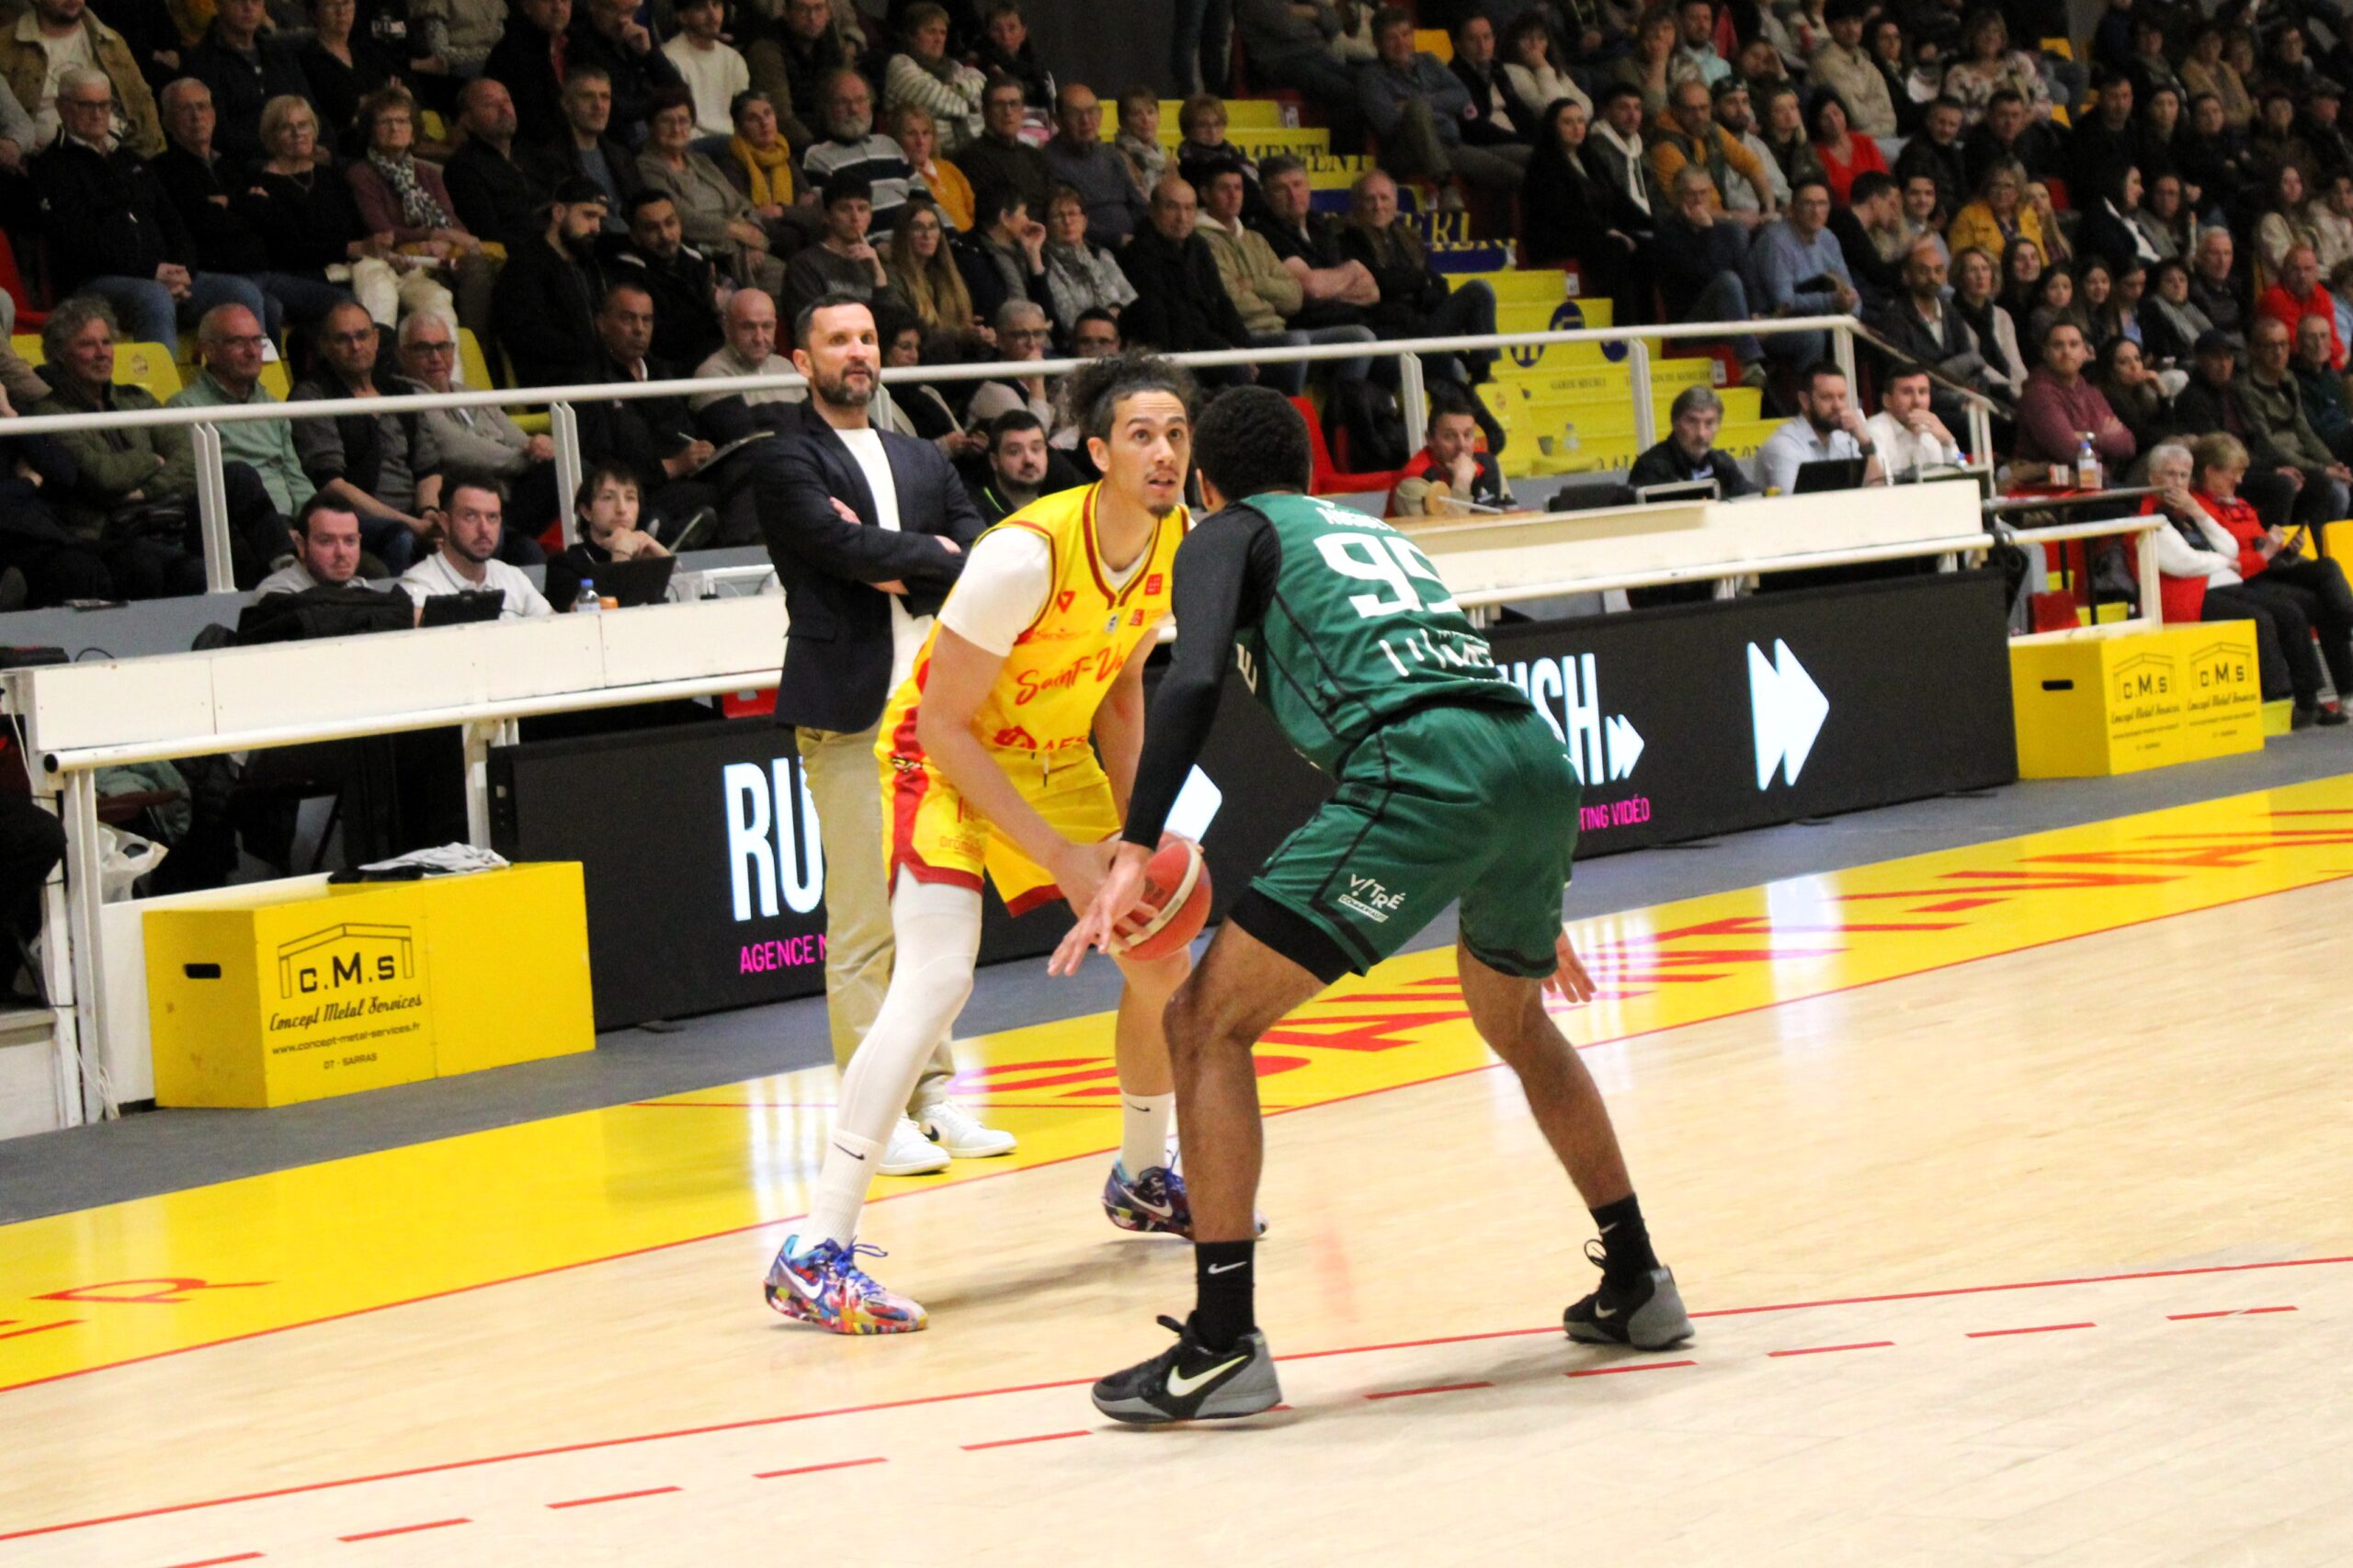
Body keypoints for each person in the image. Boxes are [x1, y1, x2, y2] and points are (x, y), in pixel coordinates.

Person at [1058, 385, 1684, 1422]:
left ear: (1207, 481)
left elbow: (1194, 677)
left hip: (1418, 767)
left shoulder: (1225, 534)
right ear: (1306, 468)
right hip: (1527, 758)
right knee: (1514, 1019)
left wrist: (1135, 840)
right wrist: (1515, 860)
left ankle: (1220, 1344)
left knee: (1202, 1022)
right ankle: (1638, 1280)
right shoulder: (1367, 531)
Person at [758, 295, 1111, 1332]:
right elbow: (845, 554)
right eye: (838, 341)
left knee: (934, 926)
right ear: (803, 358)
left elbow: (978, 540)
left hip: (945, 714)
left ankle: (933, 1093)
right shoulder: (784, 457)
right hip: (849, 709)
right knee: (868, 916)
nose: (858, 354)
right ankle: (880, 1111)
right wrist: (915, 554)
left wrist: (902, 548)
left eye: (867, 340)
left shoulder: (920, 455)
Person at [30, 68, 274, 348]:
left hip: (158, 277)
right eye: (85, 105)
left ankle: (257, 386)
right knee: (153, 297)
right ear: (62, 108)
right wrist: (152, 272)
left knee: (242, 291)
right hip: (95, 284)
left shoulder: (130, 159)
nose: (97, 114)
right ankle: (159, 391)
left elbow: (173, 222)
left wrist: (183, 269)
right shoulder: (51, 166)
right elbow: (80, 241)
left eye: (104, 104)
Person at [151, 79, 350, 330]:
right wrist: (248, 205)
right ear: (167, 120)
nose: (197, 116)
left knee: (344, 304)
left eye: (203, 107)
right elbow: (202, 224)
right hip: (218, 277)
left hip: (265, 273)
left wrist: (231, 205)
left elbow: (275, 219)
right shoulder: (162, 171)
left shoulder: (233, 166)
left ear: (213, 114)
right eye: (185, 109)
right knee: (267, 306)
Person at [2188, 429, 2353, 724]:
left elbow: (2259, 541)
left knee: (2327, 569)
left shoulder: (2236, 502)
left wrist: (2286, 550)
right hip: (2244, 579)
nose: (2239, 481)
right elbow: (2224, 560)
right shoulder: (2199, 509)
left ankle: (2346, 690)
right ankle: (2318, 697)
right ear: (2210, 471)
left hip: (2269, 568)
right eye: (2233, 473)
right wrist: (2266, 554)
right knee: (2316, 603)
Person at [291, 301, 447, 574]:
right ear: (325, 347)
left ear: (376, 338)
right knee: (401, 538)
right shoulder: (312, 396)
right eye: (343, 339)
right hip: (350, 519)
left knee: (482, 529)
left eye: (362, 336)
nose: (356, 346)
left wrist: (429, 512)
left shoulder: (400, 390)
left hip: (415, 514)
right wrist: (411, 524)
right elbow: (331, 485)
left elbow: (428, 467)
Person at [1194, 165, 1374, 395]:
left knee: (1360, 338)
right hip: (1245, 337)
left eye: (1238, 188)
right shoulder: (1200, 240)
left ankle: (1340, 415)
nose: (1233, 195)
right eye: (1224, 189)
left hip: (1280, 330)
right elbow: (1232, 301)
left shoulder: (1255, 239)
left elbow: (1294, 297)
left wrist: (1254, 285)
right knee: (1296, 342)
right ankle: (1288, 415)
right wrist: (1272, 300)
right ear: (1205, 194)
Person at [346, 86, 498, 335]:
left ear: (413, 129)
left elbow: (452, 222)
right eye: (386, 122)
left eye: (402, 121)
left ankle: (477, 348)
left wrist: (449, 241)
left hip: (440, 257)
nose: (395, 128)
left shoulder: (427, 172)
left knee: (477, 267)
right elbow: (382, 229)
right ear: (371, 131)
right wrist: (432, 236)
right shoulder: (361, 174)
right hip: (397, 263)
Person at [398, 312, 560, 545]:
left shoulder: (469, 393)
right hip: (472, 503)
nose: (435, 357)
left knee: (570, 468)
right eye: (424, 349)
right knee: (560, 469)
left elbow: (519, 438)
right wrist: (534, 457)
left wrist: (538, 447)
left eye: (443, 346)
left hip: (508, 493)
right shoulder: (409, 398)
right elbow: (460, 451)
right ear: (402, 355)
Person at [1339, 168, 1500, 390]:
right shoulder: (1347, 238)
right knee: (1451, 365)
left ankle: (1482, 373)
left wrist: (1417, 286)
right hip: (1392, 332)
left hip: (1425, 323)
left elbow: (1439, 286)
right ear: (1357, 204)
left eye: (1384, 198)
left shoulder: (1408, 237)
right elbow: (1381, 282)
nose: (1378, 206)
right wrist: (1420, 283)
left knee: (1479, 290)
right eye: (1370, 199)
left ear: (1395, 202)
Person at [1357, 6, 1529, 199]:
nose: (1401, 43)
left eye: (1405, 35)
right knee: (1516, 174)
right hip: (1410, 151)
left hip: (1452, 141)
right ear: (1377, 43)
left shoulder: (1427, 60)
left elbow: (1462, 94)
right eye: (1391, 38)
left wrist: (1418, 104)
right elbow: (1389, 125)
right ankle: (1445, 186)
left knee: (1533, 155)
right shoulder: (1370, 78)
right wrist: (1433, 111)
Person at [636, 87, 786, 298]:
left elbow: (741, 202)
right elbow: (681, 217)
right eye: (666, 121)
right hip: (712, 254)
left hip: (744, 248)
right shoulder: (647, 167)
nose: (676, 128)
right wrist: (737, 232)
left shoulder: (700, 160)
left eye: (683, 120)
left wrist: (754, 233)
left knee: (791, 279)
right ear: (651, 126)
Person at [169, 304, 315, 519]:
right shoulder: (185, 409)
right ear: (209, 350)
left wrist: (315, 523)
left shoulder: (273, 407)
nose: (252, 352)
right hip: (234, 529)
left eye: (257, 341)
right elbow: (193, 489)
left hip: (291, 524)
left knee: (376, 533)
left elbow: (296, 479)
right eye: (238, 342)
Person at [1521, 97, 1648, 330]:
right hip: (1558, 238)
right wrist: (1607, 232)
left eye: (1580, 121)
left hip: (1594, 232)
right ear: (1553, 127)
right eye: (1568, 122)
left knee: (1649, 244)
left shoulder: (1591, 159)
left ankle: (1651, 328)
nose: (1577, 127)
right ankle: (1623, 328)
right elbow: (1564, 214)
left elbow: (1620, 201)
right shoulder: (1543, 165)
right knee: (1614, 249)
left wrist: (1652, 225)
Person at [1119, 176, 1254, 375]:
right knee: (1238, 371)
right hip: (1179, 351)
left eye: (1189, 208)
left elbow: (1222, 301)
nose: (1182, 217)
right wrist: (1228, 351)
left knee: (1281, 354)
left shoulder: (1198, 246)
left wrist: (1249, 350)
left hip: (1214, 342)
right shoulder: (1138, 254)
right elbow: (1176, 317)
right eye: (1172, 208)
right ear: (1153, 210)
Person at [0, 0, 165, 159]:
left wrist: (152, 157)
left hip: (116, 156)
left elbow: (141, 103)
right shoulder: (6, 46)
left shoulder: (110, 40)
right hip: (43, 163)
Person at [492, 177, 612, 388]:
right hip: (556, 385)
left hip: (597, 377)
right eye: (589, 215)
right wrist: (587, 348)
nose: (596, 228)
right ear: (558, 213)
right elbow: (525, 335)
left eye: (600, 219)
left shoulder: (590, 266)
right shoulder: (525, 266)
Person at [2238, 315, 2353, 530]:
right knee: (2331, 487)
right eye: (2270, 346)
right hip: (2274, 462)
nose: (2278, 352)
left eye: (2283, 345)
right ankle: (2313, 549)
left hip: (2303, 456)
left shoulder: (2288, 380)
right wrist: (2323, 469)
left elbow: (2304, 430)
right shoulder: (2246, 389)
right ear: (2255, 350)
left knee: (2339, 479)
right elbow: (2267, 444)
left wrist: (2332, 464)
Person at [399, 476, 552, 617]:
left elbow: (557, 629)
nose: (484, 528)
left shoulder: (513, 577)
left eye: (492, 517)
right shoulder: (418, 585)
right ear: (445, 522)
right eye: (470, 516)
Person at [181, 0, 310, 166]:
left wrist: (324, 146)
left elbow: (311, 106)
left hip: (302, 154)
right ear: (219, 4)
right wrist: (282, 147)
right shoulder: (202, 64)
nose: (249, 7)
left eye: (255, 0)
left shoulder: (278, 52)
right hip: (249, 169)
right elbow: (219, 133)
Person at [1746, 176, 1859, 367]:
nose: (1816, 211)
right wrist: (1832, 300)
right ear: (1793, 208)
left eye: (1822, 204)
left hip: (1819, 317)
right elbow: (1784, 301)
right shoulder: (1775, 241)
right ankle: (1810, 393)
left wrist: (1850, 306)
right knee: (1813, 335)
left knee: (1862, 330)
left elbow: (1848, 288)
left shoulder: (1828, 238)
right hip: (1772, 323)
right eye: (1808, 204)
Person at [522, 66, 643, 236]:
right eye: (587, 96)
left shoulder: (621, 156)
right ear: (566, 104)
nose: (599, 105)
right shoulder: (546, 159)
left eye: (605, 97)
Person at [798, 67, 916, 232]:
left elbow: (922, 198)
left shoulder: (888, 144)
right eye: (842, 102)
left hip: (912, 243)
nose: (853, 109)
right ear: (826, 108)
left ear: (871, 104)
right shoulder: (817, 156)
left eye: (860, 100)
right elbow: (831, 222)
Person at [2014, 318, 2133, 475]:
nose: (2067, 352)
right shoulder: (2038, 394)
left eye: (2074, 344)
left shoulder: (2092, 393)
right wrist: (2104, 439)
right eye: (2058, 345)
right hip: (2053, 489)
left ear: (2085, 352)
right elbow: (2069, 452)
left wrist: (2089, 437)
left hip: (2096, 482)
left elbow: (2128, 445)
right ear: (2045, 352)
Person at [1650, 76, 1776, 225]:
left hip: (1714, 216)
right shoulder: (1665, 147)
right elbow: (1688, 206)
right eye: (1691, 109)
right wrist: (1735, 217)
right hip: (1681, 224)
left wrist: (1768, 208)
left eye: (1703, 108)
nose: (1699, 116)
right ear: (1676, 111)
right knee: (1737, 231)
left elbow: (1751, 165)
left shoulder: (1709, 129)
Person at [443, 77, 546, 250]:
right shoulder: (464, 168)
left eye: (506, 100)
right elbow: (488, 236)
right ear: (467, 120)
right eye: (489, 103)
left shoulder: (533, 158)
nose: (504, 109)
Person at [691, 288, 803, 441]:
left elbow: (814, 427)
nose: (759, 338)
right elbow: (748, 442)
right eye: (748, 327)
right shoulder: (710, 373)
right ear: (727, 328)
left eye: (767, 326)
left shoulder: (785, 367)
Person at [781, 173, 894, 325]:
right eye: (844, 209)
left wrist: (880, 278)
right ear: (827, 216)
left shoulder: (874, 263)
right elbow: (810, 326)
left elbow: (890, 327)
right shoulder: (805, 265)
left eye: (862, 209)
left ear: (870, 216)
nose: (855, 218)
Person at [566, 0, 685, 145]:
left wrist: (649, 54)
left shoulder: (637, 34)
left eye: (630, 11)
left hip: (652, 134)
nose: (623, 20)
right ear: (593, 6)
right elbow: (614, 109)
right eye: (613, 10)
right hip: (613, 142)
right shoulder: (580, 41)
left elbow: (680, 92)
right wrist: (657, 99)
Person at [1384, 381, 1512, 515]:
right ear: (1430, 439)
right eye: (1450, 436)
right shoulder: (1413, 481)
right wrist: (1462, 483)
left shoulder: (1488, 464)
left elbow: (1512, 520)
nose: (1462, 445)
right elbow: (1443, 533)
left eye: (1468, 435)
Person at [1040, 84, 1143, 247]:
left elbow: (1138, 204)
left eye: (1092, 111)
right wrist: (1118, 239)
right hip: (1092, 247)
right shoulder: (1048, 161)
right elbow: (1067, 222)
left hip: (1133, 244)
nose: (1086, 120)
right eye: (1075, 114)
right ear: (1058, 120)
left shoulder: (1110, 154)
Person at [1756, 359, 1881, 492]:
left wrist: (1865, 444)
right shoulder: (1783, 446)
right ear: (1804, 401)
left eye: (1842, 397)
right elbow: (1794, 505)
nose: (1837, 405)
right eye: (1827, 397)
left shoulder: (1845, 437)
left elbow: (1879, 491)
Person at [881, 2, 983, 153]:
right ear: (912, 36)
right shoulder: (900, 65)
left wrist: (957, 90)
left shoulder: (953, 67)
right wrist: (972, 106)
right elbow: (940, 100)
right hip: (923, 154)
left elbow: (983, 85)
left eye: (943, 32)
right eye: (931, 32)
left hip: (968, 150)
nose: (938, 39)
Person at [1039, 184, 1138, 336]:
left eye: (1073, 214)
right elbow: (1068, 319)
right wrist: (1106, 320)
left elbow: (1130, 298)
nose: (1067, 221)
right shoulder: (1045, 262)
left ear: (1084, 221)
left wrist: (1116, 308)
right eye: (1058, 216)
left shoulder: (1101, 255)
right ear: (1047, 225)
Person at [1628, 382, 1758, 494]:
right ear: (1674, 423)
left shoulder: (1721, 463)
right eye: (1692, 421)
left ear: (1719, 425)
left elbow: (1750, 498)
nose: (1701, 433)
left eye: (1709, 423)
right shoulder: (1651, 467)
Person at [890, 199, 984, 347]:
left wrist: (981, 336)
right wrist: (959, 335)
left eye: (933, 227)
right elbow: (908, 334)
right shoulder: (894, 277)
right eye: (918, 227)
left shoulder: (950, 277)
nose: (927, 235)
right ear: (904, 234)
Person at [1447, 13, 1537, 155]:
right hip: (1487, 147)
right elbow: (1475, 129)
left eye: (1487, 37)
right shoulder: (1453, 77)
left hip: (1515, 139)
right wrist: (1522, 140)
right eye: (1472, 39)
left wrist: (1544, 134)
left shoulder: (1495, 67)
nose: (1482, 45)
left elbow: (1517, 109)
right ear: (1457, 44)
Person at [482, 0, 570, 140]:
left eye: (564, 0)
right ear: (527, 6)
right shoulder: (511, 53)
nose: (558, 7)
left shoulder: (580, 46)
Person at [1950, 244, 2028, 399]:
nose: (1980, 276)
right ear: (1960, 277)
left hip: (2012, 392)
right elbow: (1975, 365)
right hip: (1977, 391)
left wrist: (2027, 390)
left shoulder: (2002, 315)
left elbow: (2015, 362)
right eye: (1972, 270)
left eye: (1985, 269)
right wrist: (2011, 389)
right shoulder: (1951, 315)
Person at [662, 0, 748, 138]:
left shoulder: (733, 59)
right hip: (691, 143)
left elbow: (743, 112)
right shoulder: (669, 58)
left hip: (730, 142)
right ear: (683, 16)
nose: (713, 15)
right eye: (701, 8)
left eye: (716, 5)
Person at [969, 406, 1070, 522]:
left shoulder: (1057, 514)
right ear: (995, 461)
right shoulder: (974, 510)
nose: (1029, 460)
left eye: (1036, 449)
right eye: (1014, 452)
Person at [1811, 0, 1895, 138]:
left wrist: (1868, 108)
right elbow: (1856, 118)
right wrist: (1875, 108)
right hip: (1849, 144)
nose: (1852, 29)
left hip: (1882, 139)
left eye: (1856, 21)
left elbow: (1890, 116)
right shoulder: (1825, 64)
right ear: (1830, 27)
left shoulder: (1867, 63)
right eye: (1843, 23)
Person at [254, 495, 368, 596]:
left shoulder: (361, 588)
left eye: (350, 540)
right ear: (301, 546)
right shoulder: (277, 594)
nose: (341, 552)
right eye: (326, 541)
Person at [1866, 361, 1965, 476]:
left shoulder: (1933, 431)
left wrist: (1949, 442)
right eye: (1907, 392)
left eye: (1923, 392)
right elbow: (1881, 483)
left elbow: (1965, 469)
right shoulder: (1875, 431)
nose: (1917, 401)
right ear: (1887, 401)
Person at [2258, 244, 2345, 370]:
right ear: (2284, 272)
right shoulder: (2275, 298)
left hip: (2323, 367)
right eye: (2295, 269)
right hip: (2290, 369)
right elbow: (2299, 348)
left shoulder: (2322, 294)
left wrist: (2334, 359)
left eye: (2308, 269)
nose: (2302, 276)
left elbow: (2335, 343)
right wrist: (2336, 361)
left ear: (2317, 272)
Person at [892, 103, 972, 233]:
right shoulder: (898, 178)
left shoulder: (948, 169)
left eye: (925, 133)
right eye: (911, 133)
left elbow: (974, 211)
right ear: (897, 138)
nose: (920, 141)